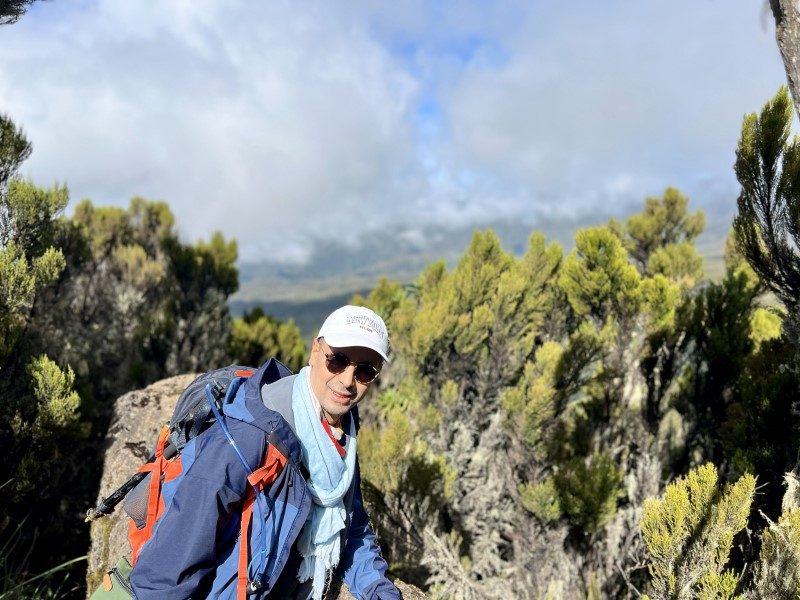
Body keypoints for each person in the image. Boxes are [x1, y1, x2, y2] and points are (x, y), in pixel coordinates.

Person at [129, 305, 400, 600]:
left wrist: (380, 591)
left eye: (364, 371)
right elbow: (168, 569)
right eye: (338, 360)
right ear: (315, 352)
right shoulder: (250, 436)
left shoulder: (341, 436)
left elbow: (352, 526)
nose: (348, 381)